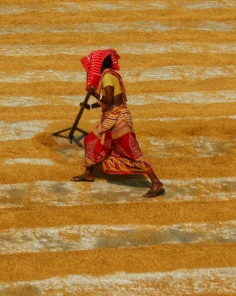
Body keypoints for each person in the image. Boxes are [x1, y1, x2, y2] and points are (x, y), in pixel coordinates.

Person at [70, 48, 165, 198]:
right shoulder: (112, 75)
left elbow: (108, 100)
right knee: (91, 140)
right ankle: (88, 173)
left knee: (131, 151)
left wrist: (94, 93)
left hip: (118, 118)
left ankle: (156, 183)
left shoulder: (107, 77)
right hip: (115, 115)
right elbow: (110, 101)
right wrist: (89, 106)